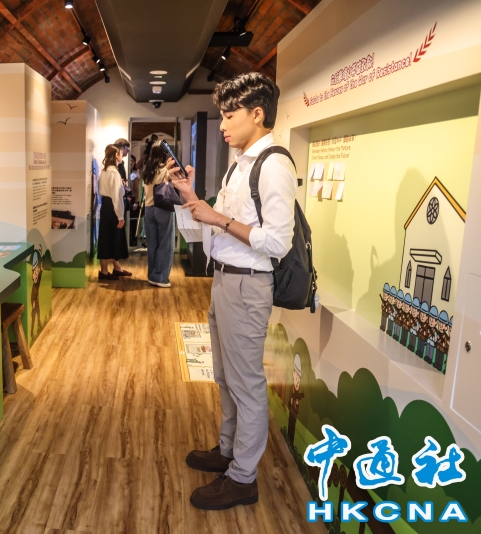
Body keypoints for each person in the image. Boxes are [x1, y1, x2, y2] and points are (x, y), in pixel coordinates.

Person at [170, 72, 297, 510]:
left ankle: (243, 478)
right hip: (225, 279)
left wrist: (219, 218)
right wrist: (190, 197)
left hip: (247, 285)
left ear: (257, 114)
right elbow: (213, 228)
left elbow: (277, 242)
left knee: (246, 384)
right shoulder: (239, 164)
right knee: (225, 376)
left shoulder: (274, 165)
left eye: (229, 115)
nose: (222, 125)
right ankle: (227, 450)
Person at [141, 142, 175, 287]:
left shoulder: (147, 170)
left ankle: (152, 275)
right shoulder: (165, 170)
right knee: (165, 244)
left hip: (148, 209)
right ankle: (160, 278)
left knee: (152, 245)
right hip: (163, 208)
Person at [97, 144, 131, 280]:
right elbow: (117, 197)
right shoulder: (114, 173)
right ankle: (105, 271)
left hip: (106, 207)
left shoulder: (105, 171)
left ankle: (112, 269)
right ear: (116, 155)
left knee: (106, 238)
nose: (122, 155)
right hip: (113, 208)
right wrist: (120, 217)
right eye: (121, 153)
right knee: (112, 238)